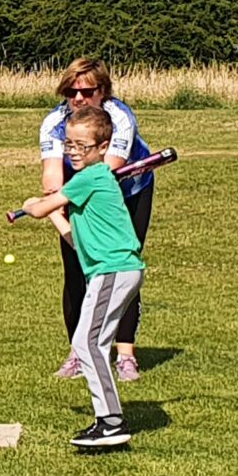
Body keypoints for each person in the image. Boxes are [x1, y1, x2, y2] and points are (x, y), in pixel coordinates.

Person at [14, 112, 144, 451]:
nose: (72, 151)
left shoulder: (91, 177)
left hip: (113, 270)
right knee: (90, 343)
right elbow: (76, 241)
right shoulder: (90, 182)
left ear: (103, 147)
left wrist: (33, 206)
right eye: (67, 144)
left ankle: (111, 422)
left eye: (81, 146)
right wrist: (54, 215)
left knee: (87, 343)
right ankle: (108, 419)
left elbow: (42, 207)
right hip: (109, 270)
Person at [39, 58, 155, 383]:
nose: (77, 99)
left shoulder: (119, 118)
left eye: (86, 91)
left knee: (118, 265)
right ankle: (78, 352)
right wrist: (54, 197)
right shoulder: (53, 123)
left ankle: (126, 354)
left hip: (128, 193)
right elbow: (52, 170)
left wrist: (64, 197)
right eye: (71, 91)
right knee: (76, 268)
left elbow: (108, 170)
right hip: (79, 190)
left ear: (102, 91)